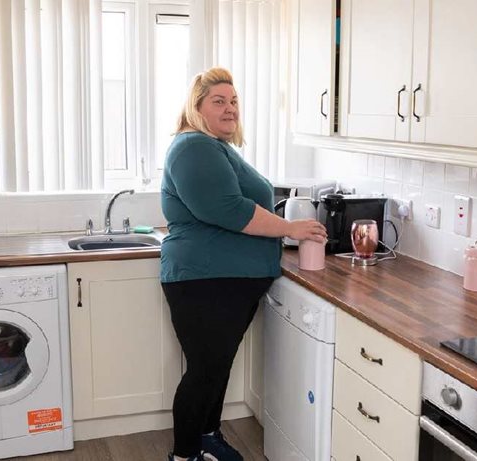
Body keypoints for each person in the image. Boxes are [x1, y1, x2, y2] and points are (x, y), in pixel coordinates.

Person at [160, 67, 327, 461]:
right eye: (218, 101)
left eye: (233, 101)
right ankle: (185, 455)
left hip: (226, 281)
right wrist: (291, 228)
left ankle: (207, 437)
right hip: (206, 280)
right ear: (196, 107)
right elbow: (230, 210)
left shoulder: (215, 147)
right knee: (204, 372)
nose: (230, 107)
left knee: (216, 368)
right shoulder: (193, 147)